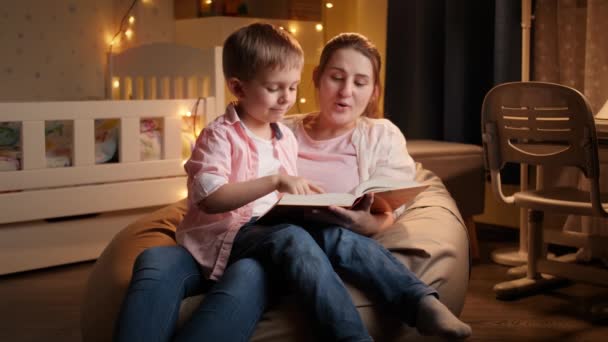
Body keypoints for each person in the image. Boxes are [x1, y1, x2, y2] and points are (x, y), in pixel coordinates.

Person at [112, 29, 471, 342]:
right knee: (155, 258)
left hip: (290, 239)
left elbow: (385, 207)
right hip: (233, 239)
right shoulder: (280, 130)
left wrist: (365, 219)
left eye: (360, 82)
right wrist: (278, 184)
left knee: (305, 242)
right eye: (336, 77)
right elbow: (214, 196)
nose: (286, 98)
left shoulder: (288, 133)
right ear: (318, 77)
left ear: (374, 90)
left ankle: (409, 307)